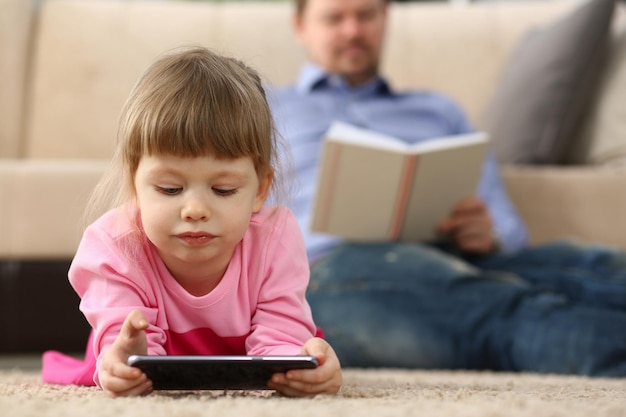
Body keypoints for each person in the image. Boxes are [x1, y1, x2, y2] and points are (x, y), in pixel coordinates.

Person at [269, 0, 626, 377]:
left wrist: (489, 234)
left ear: (385, 18)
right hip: (332, 269)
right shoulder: (268, 109)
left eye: (366, 15)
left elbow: (510, 229)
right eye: (335, 18)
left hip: (460, 257)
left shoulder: (439, 110)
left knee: (593, 267)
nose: (354, 30)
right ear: (300, 27)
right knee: (502, 309)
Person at [41, 46, 342, 397]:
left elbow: (282, 339)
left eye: (223, 189)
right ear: (134, 184)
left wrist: (302, 367)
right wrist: (125, 358)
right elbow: (128, 356)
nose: (195, 209)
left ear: (260, 190)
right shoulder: (113, 247)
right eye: (170, 189)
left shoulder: (275, 237)